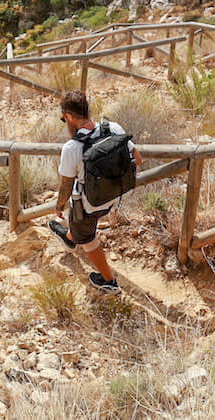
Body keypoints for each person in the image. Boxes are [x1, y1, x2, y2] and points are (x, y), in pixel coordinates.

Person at [48, 90, 141, 292]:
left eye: (64, 119)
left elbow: (66, 185)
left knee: (89, 239)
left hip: (90, 205)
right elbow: (137, 158)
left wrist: (58, 206)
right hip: (116, 195)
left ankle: (109, 281)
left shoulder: (72, 148)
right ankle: (71, 238)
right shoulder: (113, 128)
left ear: (70, 117)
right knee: (79, 227)